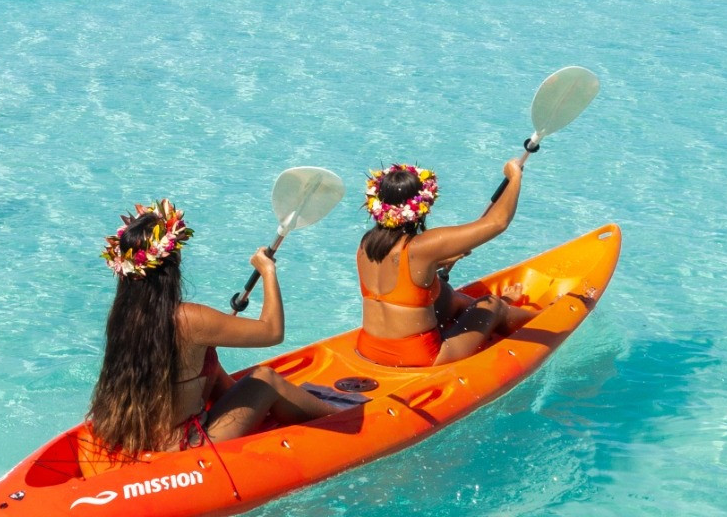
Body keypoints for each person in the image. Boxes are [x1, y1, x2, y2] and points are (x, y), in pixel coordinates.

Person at [80, 199, 342, 465]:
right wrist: (268, 271)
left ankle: (275, 413)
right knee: (265, 378)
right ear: (172, 263)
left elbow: (211, 377)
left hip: (140, 440)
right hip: (187, 447)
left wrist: (246, 403)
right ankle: (344, 418)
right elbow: (273, 332)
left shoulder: (124, 318)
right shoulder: (188, 319)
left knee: (211, 366)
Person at [353, 157, 540, 367]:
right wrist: (515, 176)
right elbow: (497, 222)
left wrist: (437, 263)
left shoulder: (366, 244)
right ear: (422, 205)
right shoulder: (422, 247)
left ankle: (494, 307)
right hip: (421, 357)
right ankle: (537, 316)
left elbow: (402, 277)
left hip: (368, 349)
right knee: (492, 305)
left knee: (445, 293)